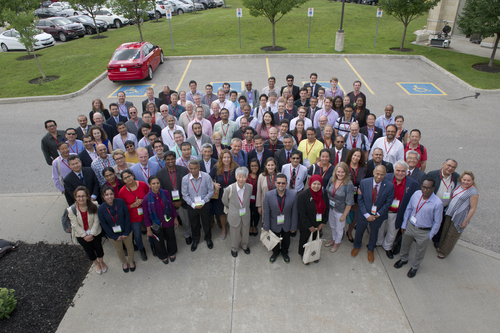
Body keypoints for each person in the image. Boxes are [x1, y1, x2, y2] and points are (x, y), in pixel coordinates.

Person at [395, 178, 444, 278]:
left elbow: (437, 222)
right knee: (405, 244)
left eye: (428, 188)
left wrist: (430, 235)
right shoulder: (416, 194)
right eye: (424, 187)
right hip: (410, 226)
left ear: (433, 189)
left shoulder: (437, 203)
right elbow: (409, 209)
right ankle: (403, 259)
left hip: (424, 231)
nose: (425, 190)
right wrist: (404, 224)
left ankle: (415, 266)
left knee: (420, 251)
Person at [351, 165, 394, 263]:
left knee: (374, 233)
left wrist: (378, 214)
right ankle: (357, 246)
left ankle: (371, 249)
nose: (379, 176)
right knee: (359, 231)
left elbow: (388, 202)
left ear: (385, 175)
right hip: (363, 214)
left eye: (382, 175)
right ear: (374, 172)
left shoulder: (390, 186)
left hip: (377, 216)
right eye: (377, 174)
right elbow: (360, 200)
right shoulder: (364, 182)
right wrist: (366, 215)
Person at [376, 161, 419, 259]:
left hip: (398, 213)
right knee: (380, 228)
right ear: (394, 170)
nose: (400, 173)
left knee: (393, 231)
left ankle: (387, 247)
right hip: (383, 210)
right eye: (398, 170)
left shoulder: (413, 184)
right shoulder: (386, 177)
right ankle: (378, 242)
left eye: (403, 171)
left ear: (407, 172)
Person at [437, 171, 479, 258]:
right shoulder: (459, 185)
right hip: (450, 212)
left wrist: (466, 221)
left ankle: (444, 252)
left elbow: (472, 208)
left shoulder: (473, 192)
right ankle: (441, 246)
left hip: (460, 216)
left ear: (472, 181)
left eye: (468, 180)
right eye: (464, 179)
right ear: (461, 179)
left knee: (452, 235)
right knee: (445, 231)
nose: (466, 182)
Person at [68, 186, 106, 274]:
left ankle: (101, 262)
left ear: (87, 196)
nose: (81, 198)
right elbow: (74, 225)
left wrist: (91, 234)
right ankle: (96, 264)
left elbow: (97, 220)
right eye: (78, 196)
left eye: (83, 196)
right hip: (81, 235)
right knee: (89, 251)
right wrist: (85, 235)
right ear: (75, 197)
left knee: (99, 248)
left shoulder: (94, 205)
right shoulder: (71, 210)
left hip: (95, 233)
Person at [98, 185, 136, 273]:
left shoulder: (120, 202)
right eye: (106, 195)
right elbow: (104, 224)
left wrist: (126, 232)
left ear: (114, 195)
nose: (109, 196)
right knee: (119, 249)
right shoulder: (101, 209)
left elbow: (127, 217)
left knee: (129, 247)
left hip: (126, 231)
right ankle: (124, 262)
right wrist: (114, 236)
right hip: (113, 235)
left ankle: (131, 261)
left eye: (111, 194)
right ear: (103, 196)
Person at [157, 151, 192, 244]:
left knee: (186, 220)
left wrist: (181, 201)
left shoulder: (183, 170)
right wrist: (168, 202)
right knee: (170, 221)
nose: (170, 161)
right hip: (168, 202)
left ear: (175, 159)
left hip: (182, 200)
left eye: (172, 158)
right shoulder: (160, 173)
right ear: (165, 161)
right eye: (168, 159)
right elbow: (161, 190)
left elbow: (188, 187)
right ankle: (173, 236)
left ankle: (187, 234)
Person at [143, 176, 179, 264]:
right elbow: (146, 215)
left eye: (157, 183)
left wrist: (175, 218)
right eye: (153, 183)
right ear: (149, 185)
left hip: (168, 221)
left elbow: (171, 205)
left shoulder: (165, 193)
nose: (156, 185)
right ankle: (163, 255)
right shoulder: (146, 199)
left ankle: (172, 252)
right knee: (159, 241)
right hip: (156, 224)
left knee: (171, 237)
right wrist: (148, 229)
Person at [263, 173, 298, 263]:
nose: (281, 185)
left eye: (283, 183)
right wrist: (266, 227)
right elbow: (266, 212)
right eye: (279, 183)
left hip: (287, 224)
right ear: (275, 183)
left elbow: (294, 212)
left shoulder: (293, 195)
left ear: (286, 184)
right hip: (274, 223)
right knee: (274, 240)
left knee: (286, 241)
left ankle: (284, 252)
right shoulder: (268, 195)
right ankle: (275, 252)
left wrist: (294, 227)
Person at [181, 160, 215, 251]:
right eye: (191, 169)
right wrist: (192, 204)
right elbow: (184, 194)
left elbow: (211, 191)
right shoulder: (185, 179)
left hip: (205, 205)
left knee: (206, 223)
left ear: (199, 167)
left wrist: (203, 202)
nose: (193, 170)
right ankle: (195, 240)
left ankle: (208, 239)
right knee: (194, 224)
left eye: (195, 168)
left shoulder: (206, 176)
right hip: (192, 206)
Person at [426, 159, 460, 248]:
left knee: (440, 223)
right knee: (427, 221)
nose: (450, 168)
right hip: (431, 205)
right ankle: (423, 236)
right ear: (443, 164)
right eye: (449, 165)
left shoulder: (456, 177)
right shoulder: (433, 174)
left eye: (453, 167)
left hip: (444, 206)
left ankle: (436, 239)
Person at [118, 169, 150, 261]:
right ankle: (141, 249)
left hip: (146, 213)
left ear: (132, 175)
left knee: (150, 229)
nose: (128, 179)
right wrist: (131, 205)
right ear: (123, 180)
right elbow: (122, 206)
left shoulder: (142, 184)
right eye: (125, 178)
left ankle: (153, 246)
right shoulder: (122, 191)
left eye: (129, 176)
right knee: (137, 235)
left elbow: (149, 195)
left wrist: (143, 201)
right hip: (134, 216)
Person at [221, 167, 253, 257]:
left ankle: (244, 245)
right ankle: (234, 248)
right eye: (239, 176)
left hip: (245, 214)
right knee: (234, 233)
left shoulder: (250, 187)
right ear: (235, 177)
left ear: (247, 177)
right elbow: (224, 201)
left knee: (245, 232)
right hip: (234, 215)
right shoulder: (229, 189)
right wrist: (232, 208)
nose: (241, 179)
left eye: (243, 177)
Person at [297, 175, 329, 262]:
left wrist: (322, 223)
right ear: (310, 183)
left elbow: (327, 208)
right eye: (314, 183)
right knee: (304, 240)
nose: (316, 186)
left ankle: (313, 254)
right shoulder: (303, 196)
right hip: (306, 225)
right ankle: (304, 255)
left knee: (315, 239)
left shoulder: (324, 193)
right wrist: (309, 226)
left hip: (318, 224)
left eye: (319, 184)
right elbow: (302, 213)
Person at [325, 162, 355, 252]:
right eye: (338, 172)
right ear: (335, 172)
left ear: (346, 173)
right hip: (331, 208)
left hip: (341, 211)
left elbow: (349, 202)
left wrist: (344, 215)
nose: (340, 174)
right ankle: (334, 239)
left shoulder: (349, 184)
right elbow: (327, 190)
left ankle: (337, 243)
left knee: (339, 228)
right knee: (332, 226)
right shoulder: (332, 179)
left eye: (342, 172)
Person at [210, 149, 237, 240]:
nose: (226, 159)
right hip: (221, 194)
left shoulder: (236, 167)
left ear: (231, 158)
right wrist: (214, 184)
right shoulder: (216, 167)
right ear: (221, 158)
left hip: (233, 193)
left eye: (228, 157)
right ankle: (224, 229)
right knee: (222, 213)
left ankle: (233, 228)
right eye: (224, 157)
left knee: (233, 212)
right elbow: (208, 178)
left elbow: (241, 179)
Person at [344, 148, 368, 242]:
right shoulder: (344, 166)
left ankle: (349, 231)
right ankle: (340, 231)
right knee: (343, 214)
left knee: (355, 216)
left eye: (358, 156)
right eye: (354, 155)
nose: (356, 157)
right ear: (350, 155)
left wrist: (361, 189)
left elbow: (366, 182)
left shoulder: (364, 168)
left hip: (357, 196)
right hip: (345, 194)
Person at [246, 159, 261, 237]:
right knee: (249, 214)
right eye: (252, 166)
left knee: (256, 214)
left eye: (255, 165)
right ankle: (250, 226)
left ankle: (254, 226)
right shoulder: (247, 176)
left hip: (257, 199)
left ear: (258, 166)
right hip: (248, 199)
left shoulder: (261, 176)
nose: (254, 167)